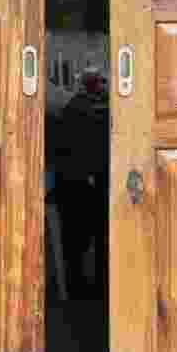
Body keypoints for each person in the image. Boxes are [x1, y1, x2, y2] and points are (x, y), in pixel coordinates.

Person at [52, 66, 109, 299]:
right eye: (96, 83)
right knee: (89, 233)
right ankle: (91, 284)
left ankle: (83, 284)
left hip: (78, 180)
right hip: (83, 181)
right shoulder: (85, 109)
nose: (98, 87)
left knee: (81, 235)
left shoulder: (73, 108)